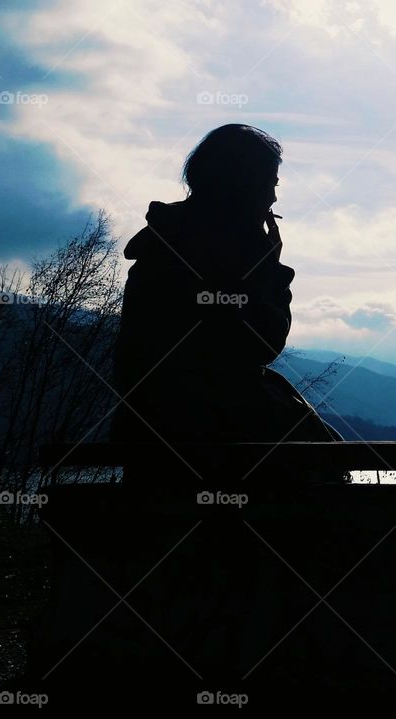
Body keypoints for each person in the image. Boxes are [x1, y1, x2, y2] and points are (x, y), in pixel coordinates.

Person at [108, 124, 342, 483]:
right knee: (328, 466)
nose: (274, 199)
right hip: (221, 446)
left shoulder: (163, 244)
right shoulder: (231, 255)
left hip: (150, 441)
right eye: (271, 184)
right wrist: (271, 268)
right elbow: (263, 342)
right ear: (244, 185)